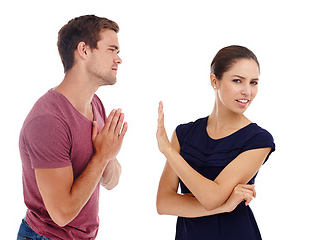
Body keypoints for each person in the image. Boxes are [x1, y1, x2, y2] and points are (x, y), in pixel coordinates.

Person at [17, 15, 127, 240]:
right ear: (84, 50)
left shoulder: (95, 104)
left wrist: (107, 155)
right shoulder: (48, 120)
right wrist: (101, 156)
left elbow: (111, 181)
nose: (119, 59)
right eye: (112, 50)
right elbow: (62, 213)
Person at [156, 45, 275, 239]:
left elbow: (211, 198)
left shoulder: (259, 140)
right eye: (238, 81)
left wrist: (169, 151)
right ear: (214, 81)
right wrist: (225, 206)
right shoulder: (184, 133)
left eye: (254, 82)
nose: (247, 91)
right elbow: (163, 203)